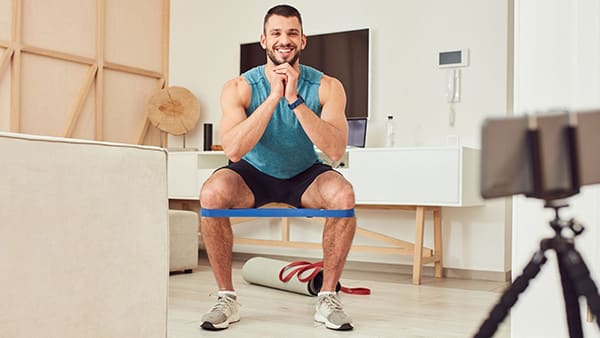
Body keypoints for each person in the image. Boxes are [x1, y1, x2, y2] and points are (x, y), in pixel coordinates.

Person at [199, 4, 357, 331]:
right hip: (251, 174)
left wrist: (295, 99)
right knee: (212, 193)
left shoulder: (327, 86)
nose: (284, 40)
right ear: (263, 40)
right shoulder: (239, 87)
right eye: (276, 33)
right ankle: (226, 298)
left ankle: (327, 296)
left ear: (303, 41)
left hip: (303, 173)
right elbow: (234, 149)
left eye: (291, 33)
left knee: (343, 195)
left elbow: (335, 149)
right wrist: (273, 97)